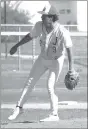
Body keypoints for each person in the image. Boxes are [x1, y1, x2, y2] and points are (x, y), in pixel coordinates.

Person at [8, 5, 75, 122]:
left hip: (56, 60)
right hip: (42, 58)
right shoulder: (39, 25)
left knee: (50, 86)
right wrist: (16, 46)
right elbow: (29, 37)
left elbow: (69, 49)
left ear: (51, 17)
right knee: (30, 82)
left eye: (44, 15)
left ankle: (54, 114)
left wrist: (71, 69)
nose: (41, 17)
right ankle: (19, 108)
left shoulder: (62, 31)